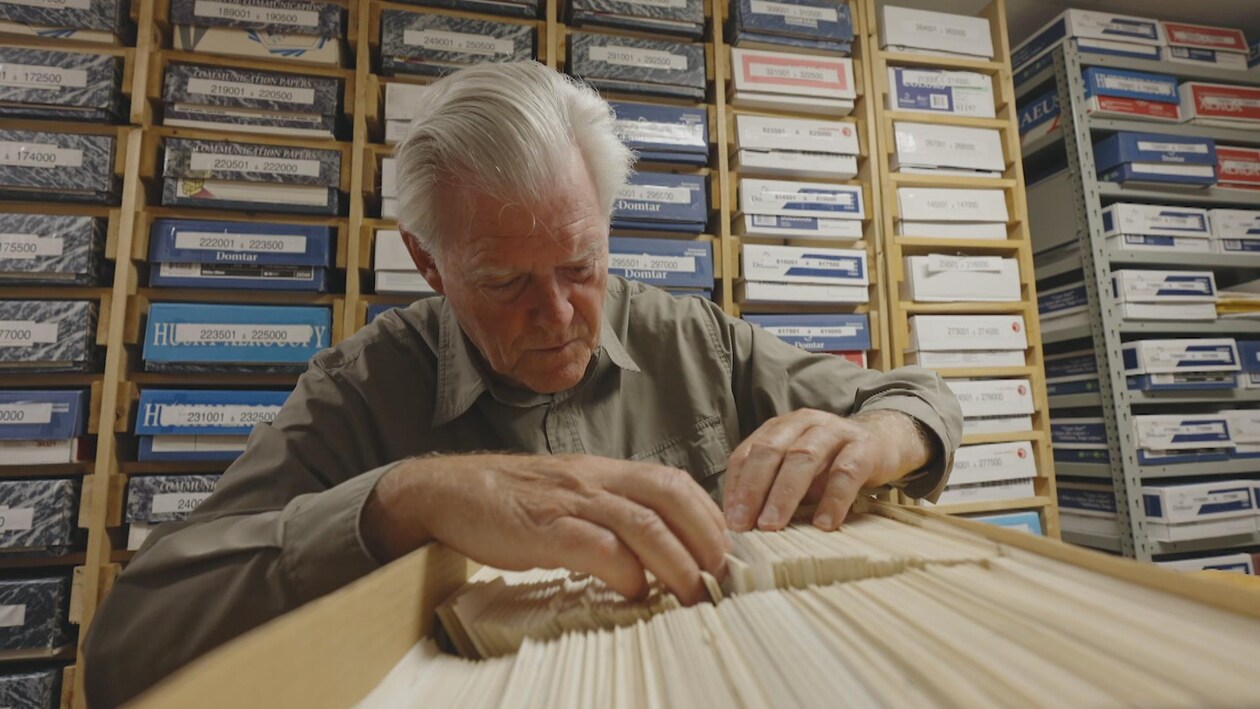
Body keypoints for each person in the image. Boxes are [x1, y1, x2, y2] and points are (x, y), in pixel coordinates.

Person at [83, 61, 961, 706]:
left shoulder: (688, 335)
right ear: (429, 263)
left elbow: (915, 398)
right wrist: (406, 498)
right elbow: (129, 649)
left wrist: (882, 437)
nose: (558, 315)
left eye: (581, 265)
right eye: (505, 282)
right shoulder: (357, 391)